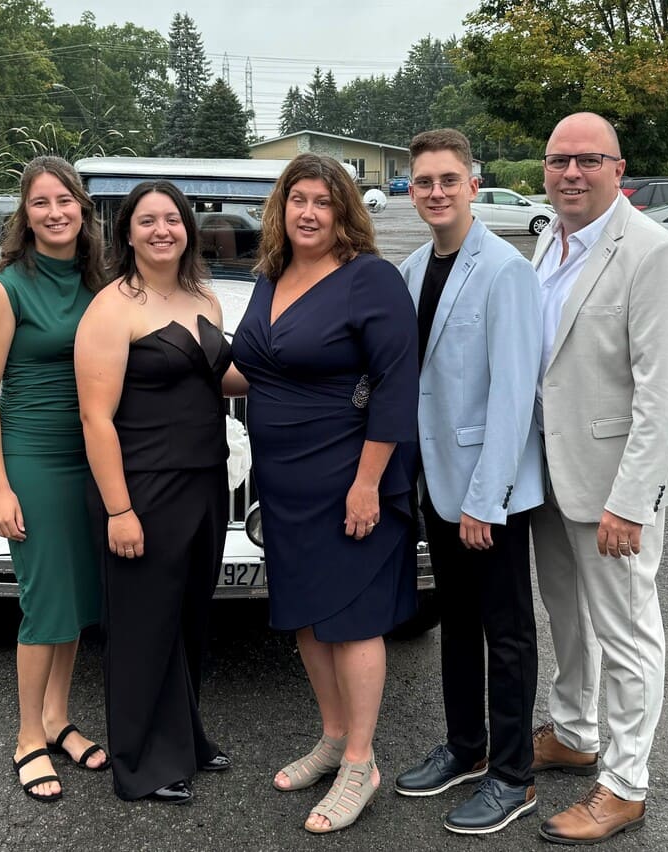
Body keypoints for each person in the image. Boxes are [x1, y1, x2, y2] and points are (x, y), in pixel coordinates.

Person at [229, 152, 419, 834]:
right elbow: (255, 366)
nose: (307, 212)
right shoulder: (272, 275)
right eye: (296, 199)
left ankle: (362, 763)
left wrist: (367, 484)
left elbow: (397, 387)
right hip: (283, 482)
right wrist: (153, 368)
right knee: (307, 616)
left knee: (352, 619)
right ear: (280, 209)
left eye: (322, 201)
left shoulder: (370, 280)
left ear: (344, 211)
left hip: (349, 478)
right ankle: (334, 737)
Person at [530, 112, 668, 845]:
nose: (572, 172)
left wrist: (631, 503)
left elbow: (664, 394)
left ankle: (626, 785)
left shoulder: (653, 253)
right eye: (559, 160)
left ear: (617, 167)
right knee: (566, 619)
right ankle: (573, 731)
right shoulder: (549, 240)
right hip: (549, 477)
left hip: (613, 488)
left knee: (627, 633)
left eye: (588, 160)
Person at [392, 129, 544, 835]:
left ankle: (514, 776)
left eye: (448, 180)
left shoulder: (506, 271)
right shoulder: (413, 266)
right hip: (437, 484)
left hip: (490, 492)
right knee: (456, 624)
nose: (435, 192)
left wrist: (490, 499)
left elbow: (515, 395)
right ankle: (466, 746)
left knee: (506, 633)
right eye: (424, 181)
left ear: (473, 186)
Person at [75, 180, 232, 805]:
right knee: (142, 624)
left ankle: (185, 739)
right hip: (141, 488)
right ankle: (138, 761)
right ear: (127, 232)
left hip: (205, 480)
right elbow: (95, 419)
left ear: (189, 228)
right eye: (148, 220)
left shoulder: (204, 297)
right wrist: (120, 509)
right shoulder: (112, 308)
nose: (162, 229)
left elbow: (220, 375)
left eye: (173, 218)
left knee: (189, 616)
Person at [0, 155, 109, 803]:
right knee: (44, 604)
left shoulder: (98, 279)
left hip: (90, 458)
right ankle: (28, 737)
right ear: (24, 216)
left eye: (64, 201)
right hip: (33, 458)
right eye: (39, 203)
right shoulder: (8, 288)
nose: (55, 213)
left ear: (82, 207)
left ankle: (58, 717)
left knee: (75, 601)